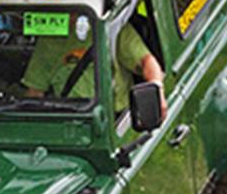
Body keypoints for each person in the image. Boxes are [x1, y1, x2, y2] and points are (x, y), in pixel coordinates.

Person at [21, 15, 167, 117]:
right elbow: (35, 92)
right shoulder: (50, 40)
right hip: (71, 118)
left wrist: (157, 90)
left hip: (116, 118)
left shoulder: (111, 27)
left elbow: (147, 62)